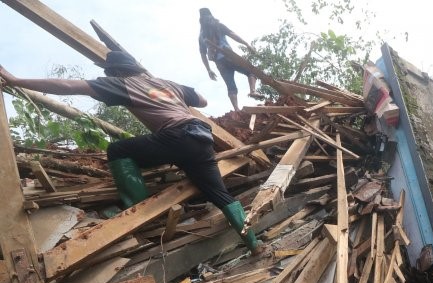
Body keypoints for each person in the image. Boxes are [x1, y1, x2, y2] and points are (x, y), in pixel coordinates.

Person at [0, 51, 261, 253]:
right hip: (201, 138)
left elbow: (70, 86)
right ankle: (253, 243)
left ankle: (135, 210)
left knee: (117, 149)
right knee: (219, 194)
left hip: (176, 136)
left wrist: (16, 80)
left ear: (114, 71)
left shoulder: (122, 84)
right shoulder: (165, 84)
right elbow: (202, 100)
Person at [198, 7, 263, 112]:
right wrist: (246, 44)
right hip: (229, 56)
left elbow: (203, 54)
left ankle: (236, 109)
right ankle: (253, 91)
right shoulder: (218, 26)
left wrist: (209, 70)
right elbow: (233, 35)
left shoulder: (201, 36)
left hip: (219, 63)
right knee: (251, 71)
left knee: (230, 85)